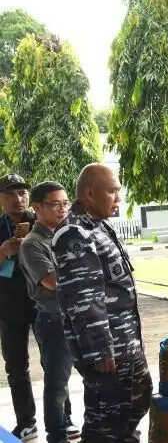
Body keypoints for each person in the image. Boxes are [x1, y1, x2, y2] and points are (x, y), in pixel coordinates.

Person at [53, 164, 152, 442]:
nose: (118, 198)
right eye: (112, 191)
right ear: (89, 194)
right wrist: (100, 349)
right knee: (105, 423)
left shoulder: (97, 225)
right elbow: (84, 297)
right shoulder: (74, 233)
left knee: (134, 403)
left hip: (125, 342)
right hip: (108, 349)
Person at [19, 182, 80, 443]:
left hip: (79, 316)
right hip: (54, 319)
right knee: (57, 383)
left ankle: (74, 424)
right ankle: (56, 435)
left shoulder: (68, 235)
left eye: (66, 203)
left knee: (92, 376)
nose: (62, 209)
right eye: (55, 204)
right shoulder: (32, 244)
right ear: (37, 207)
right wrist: (83, 268)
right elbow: (52, 281)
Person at [0, 174, 39, 441]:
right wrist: (3, 252)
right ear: (1, 199)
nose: (18, 199)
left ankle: (64, 418)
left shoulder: (42, 223)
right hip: (9, 307)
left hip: (43, 304)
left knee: (55, 362)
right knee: (16, 367)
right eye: (10, 194)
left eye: (22, 193)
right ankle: (26, 422)